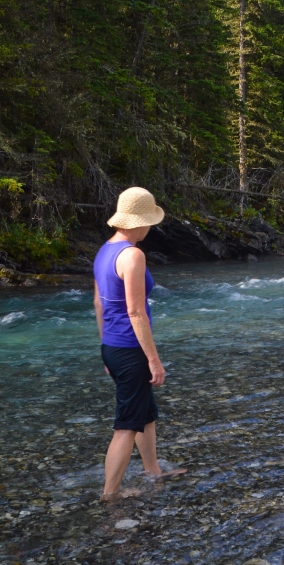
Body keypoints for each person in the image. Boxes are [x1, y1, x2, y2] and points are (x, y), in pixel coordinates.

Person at [93, 187, 185, 500]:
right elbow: (135, 312)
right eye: (149, 221)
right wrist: (154, 361)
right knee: (126, 426)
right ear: (139, 222)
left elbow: (98, 303)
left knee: (145, 414)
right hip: (131, 350)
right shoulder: (133, 255)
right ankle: (110, 494)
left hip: (114, 346)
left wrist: (106, 349)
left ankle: (153, 472)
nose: (150, 228)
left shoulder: (105, 250)